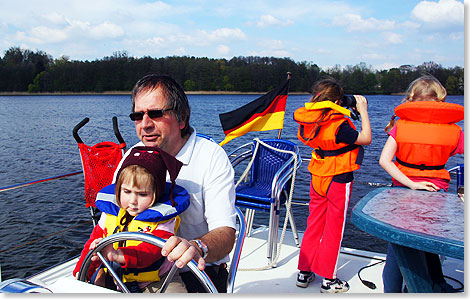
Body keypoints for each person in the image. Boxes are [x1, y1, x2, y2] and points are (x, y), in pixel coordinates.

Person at [113, 74, 237, 293]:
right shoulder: (132, 156)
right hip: (129, 270)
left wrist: (197, 247)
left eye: (156, 114)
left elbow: (226, 234)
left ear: (181, 118)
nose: (145, 124)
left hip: (194, 272)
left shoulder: (211, 157)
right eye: (138, 115)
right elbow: (113, 215)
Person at [379, 75, 464, 293]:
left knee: (397, 244)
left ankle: (393, 292)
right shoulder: (454, 130)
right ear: (441, 100)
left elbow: (384, 160)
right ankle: (433, 285)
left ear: (411, 99)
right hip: (437, 192)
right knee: (429, 240)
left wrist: (411, 183)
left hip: (402, 189)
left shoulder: (401, 126)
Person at [73, 146, 190, 293]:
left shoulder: (163, 220)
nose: (133, 201)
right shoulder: (110, 213)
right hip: (116, 276)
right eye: (127, 192)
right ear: (118, 190)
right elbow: (92, 244)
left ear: (156, 194)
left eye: (142, 194)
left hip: (157, 280)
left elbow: (153, 251)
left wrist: (117, 255)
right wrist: (81, 272)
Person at [293, 78, 371, 293]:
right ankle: (329, 279)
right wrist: (362, 110)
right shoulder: (339, 123)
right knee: (333, 229)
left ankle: (304, 272)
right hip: (338, 176)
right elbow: (365, 138)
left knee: (314, 223)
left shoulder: (311, 120)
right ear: (337, 100)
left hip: (317, 173)